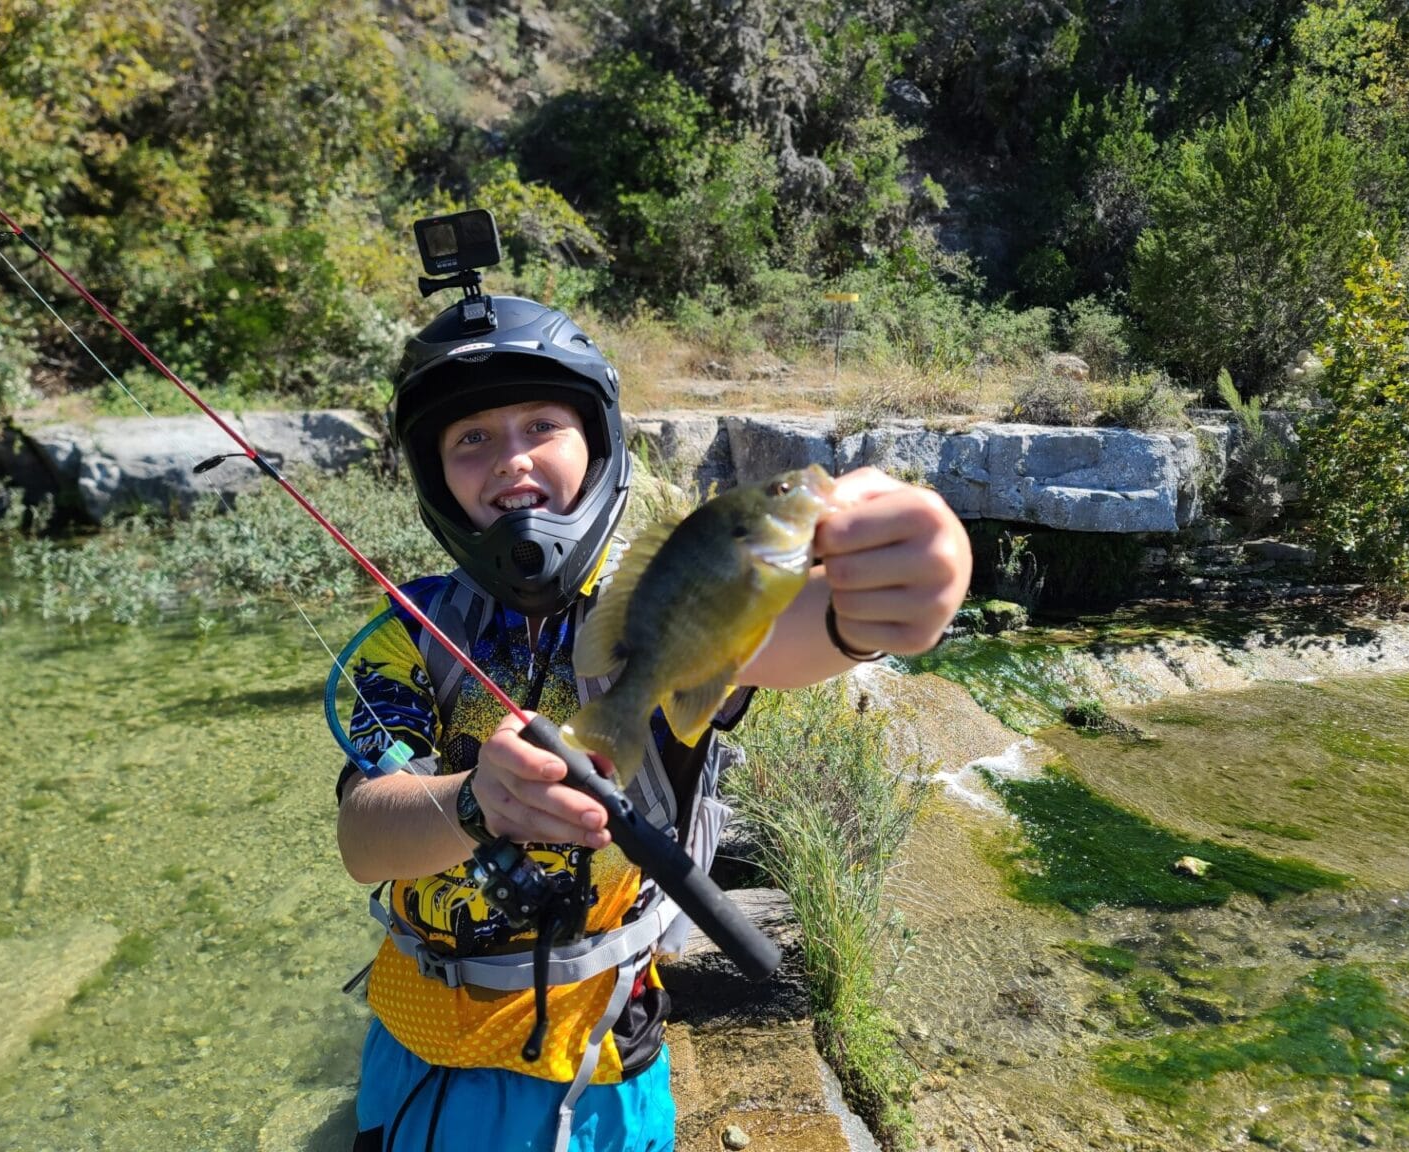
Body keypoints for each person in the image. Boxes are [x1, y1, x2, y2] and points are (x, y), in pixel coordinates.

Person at [333, 295, 971, 1152]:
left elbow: (773, 635)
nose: (511, 460)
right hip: (414, 1050)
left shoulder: (637, 612)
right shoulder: (410, 636)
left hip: (599, 1065)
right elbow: (363, 841)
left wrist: (877, 603)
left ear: (596, 442)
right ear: (434, 475)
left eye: (541, 425)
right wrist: (475, 803)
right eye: (471, 438)